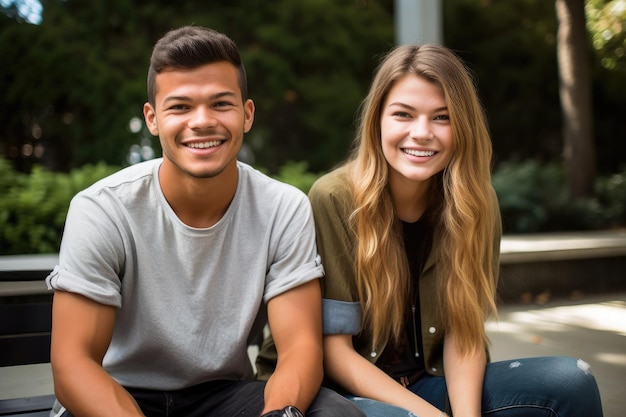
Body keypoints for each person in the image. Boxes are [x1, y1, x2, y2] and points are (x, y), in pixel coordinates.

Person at [45, 25, 365, 417]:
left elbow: (300, 348)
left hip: (221, 397)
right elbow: (72, 364)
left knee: (337, 415)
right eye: (180, 107)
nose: (202, 121)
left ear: (246, 114)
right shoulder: (103, 209)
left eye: (220, 104)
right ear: (152, 118)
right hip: (116, 397)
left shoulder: (283, 207)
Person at [304, 44, 605, 417]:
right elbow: (335, 352)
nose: (422, 132)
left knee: (570, 382)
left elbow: (464, 335)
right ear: (377, 120)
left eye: (442, 117)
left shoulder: (475, 203)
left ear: (462, 126)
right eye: (403, 114)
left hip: (432, 382)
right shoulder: (335, 199)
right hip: (345, 394)